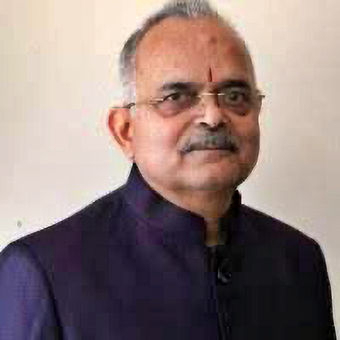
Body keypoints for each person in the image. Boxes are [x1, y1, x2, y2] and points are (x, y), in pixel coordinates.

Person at [0, 0, 336, 339]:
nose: (213, 116)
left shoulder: (298, 261)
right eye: (177, 97)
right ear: (125, 131)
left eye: (234, 95)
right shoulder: (44, 274)